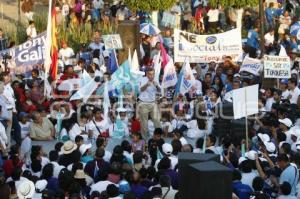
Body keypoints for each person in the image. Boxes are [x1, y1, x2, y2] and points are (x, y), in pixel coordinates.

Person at [138, 68, 161, 140]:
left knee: (157, 121)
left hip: (153, 103)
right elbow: (140, 90)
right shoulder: (142, 79)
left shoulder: (156, 79)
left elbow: (160, 91)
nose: (152, 76)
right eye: (150, 74)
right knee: (144, 123)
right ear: (147, 74)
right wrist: (147, 84)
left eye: (153, 74)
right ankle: (144, 140)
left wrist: (156, 86)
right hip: (143, 103)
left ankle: (158, 138)